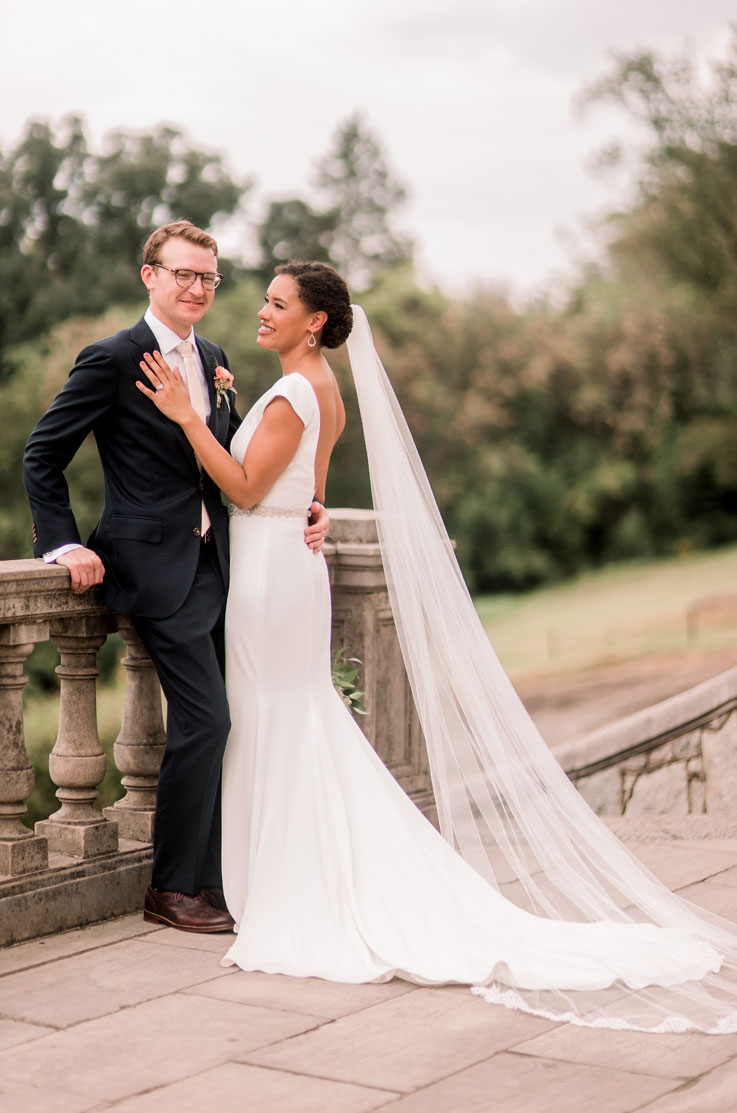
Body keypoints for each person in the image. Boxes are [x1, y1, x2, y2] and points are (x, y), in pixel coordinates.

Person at [138, 261, 737, 1033]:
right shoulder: (322, 389)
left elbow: (248, 489)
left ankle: (285, 879)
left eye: (276, 303)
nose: (260, 310)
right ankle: (270, 869)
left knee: (277, 716)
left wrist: (189, 416)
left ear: (314, 321)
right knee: (285, 717)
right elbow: (311, 492)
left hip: (270, 581)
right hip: (286, 569)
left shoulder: (294, 391)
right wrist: (309, 511)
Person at [23, 222, 329, 934]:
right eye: (183, 275)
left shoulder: (217, 359)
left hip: (224, 565)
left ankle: (217, 877)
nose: (197, 289)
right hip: (152, 569)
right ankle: (171, 887)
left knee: (239, 717)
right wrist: (63, 544)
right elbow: (42, 455)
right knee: (209, 717)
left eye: (208, 279)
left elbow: (235, 465)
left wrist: (311, 507)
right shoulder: (111, 357)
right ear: (149, 275)